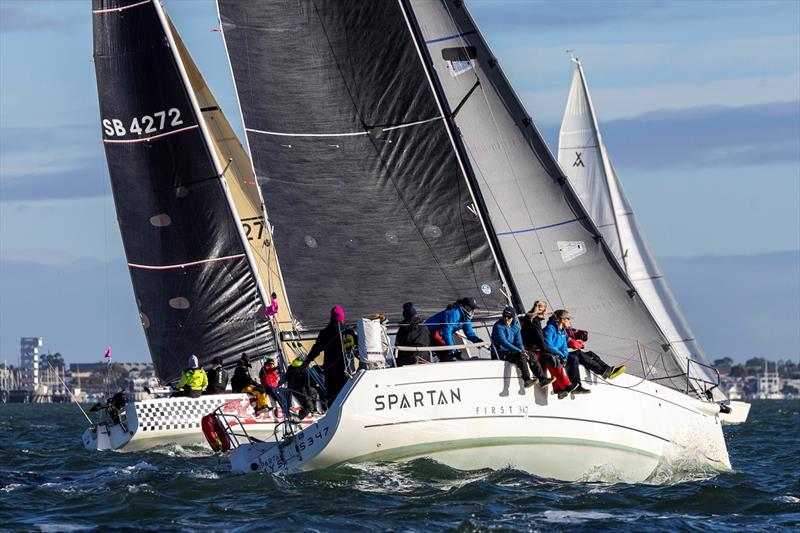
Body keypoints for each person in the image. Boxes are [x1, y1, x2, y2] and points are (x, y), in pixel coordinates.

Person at [544, 310, 625, 396]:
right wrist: (562, 354)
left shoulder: (562, 330)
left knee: (590, 354)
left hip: (562, 354)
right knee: (577, 355)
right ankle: (599, 373)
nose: (569, 321)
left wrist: (565, 354)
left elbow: (564, 344)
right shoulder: (551, 329)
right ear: (563, 320)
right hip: (554, 355)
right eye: (568, 319)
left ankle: (606, 369)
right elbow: (549, 344)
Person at [491, 306, 555, 388]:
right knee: (520, 355)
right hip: (502, 352)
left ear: (513, 317)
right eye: (504, 316)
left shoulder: (516, 327)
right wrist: (519, 351)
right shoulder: (498, 326)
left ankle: (542, 379)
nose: (506, 318)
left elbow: (519, 342)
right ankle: (527, 380)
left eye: (509, 317)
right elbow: (503, 342)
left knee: (531, 355)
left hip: (513, 351)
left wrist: (522, 350)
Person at [520, 300, 572, 394]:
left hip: (533, 348)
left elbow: (561, 344)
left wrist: (562, 355)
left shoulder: (531, 319)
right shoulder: (535, 321)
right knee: (551, 358)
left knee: (553, 358)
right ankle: (564, 386)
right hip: (531, 349)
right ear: (542, 310)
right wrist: (557, 354)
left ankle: (561, 388)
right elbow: (543, 343)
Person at [302, 305, 350, 405]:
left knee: (332, 398)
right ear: (342, 318)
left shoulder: (324, 333)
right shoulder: (347, 331)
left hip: (329, 370)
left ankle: (331, 416)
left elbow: (316, 349)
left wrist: (306, 362)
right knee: (345, 397)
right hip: (344, 371)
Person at [426, 297, 483, 362]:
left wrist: (477, 340)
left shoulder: (466, 317)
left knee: (450, 354)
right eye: (472, 308)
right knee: (447, 354)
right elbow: (447, 332)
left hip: (440, 334)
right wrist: (452, 350)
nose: (473, 311)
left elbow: (469, 332)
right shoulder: (454, 313)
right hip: (430, 331)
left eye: (474, 309)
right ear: (465, 306)